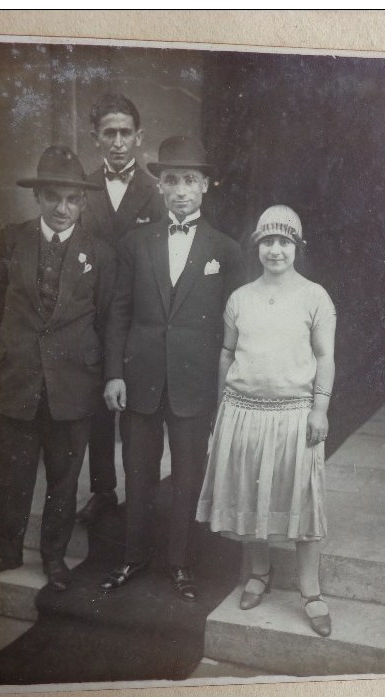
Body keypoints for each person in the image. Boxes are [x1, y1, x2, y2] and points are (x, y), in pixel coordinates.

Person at [100, 136, 243, 601]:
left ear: (205, 185)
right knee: (137, 471)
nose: (181, 190)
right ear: (160, 186)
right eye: (172, 180)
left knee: (188, 475)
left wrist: (226, 385)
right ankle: (133, 556)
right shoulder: (135, 242)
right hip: (139, 378)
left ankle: (182, 563)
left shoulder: (225, 249)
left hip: (194, 383)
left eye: (189, 180)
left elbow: (232, 324)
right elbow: (119, 310)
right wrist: (114, 374)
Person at [196, 205, 336, 637]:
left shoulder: (315, 296)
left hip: (294, 415)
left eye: (285, 241)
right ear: (257, 246)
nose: (276, 250)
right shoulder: (240, 297)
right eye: (268, 242)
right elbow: (226, 354)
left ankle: (310, 591)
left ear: (297, 247)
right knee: (251, 495)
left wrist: (320, 407)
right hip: (242, 412)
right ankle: (259, 572)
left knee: (304, 502)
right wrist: (221, 411)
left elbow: (325, 356)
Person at [0, 145, 115, 592]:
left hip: (73, 382)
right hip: (17, 376)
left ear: (83, 202)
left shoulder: (99, 253)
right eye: (54, 198)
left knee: (64, 475)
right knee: (11, 470)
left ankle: (55, 557)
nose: (63, 208)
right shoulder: (9, 241)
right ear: (38, 198)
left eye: (72, 200)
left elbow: (103, 318)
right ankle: (7, 548)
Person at [79, 93, 167, 524]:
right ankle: (102, 490)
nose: (118, 142)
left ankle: (140, 497)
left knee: (137, 412)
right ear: (96, 138)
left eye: (125, 133)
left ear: (139, 137)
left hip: (141, 318)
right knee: (99, 408)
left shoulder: (157, 191)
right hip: (94, 317)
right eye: (109, 133)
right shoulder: (83, 189)